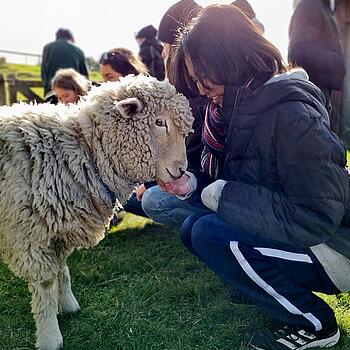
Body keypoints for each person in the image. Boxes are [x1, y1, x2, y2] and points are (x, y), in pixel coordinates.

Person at [147, 4, 350, 349]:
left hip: (333, 249)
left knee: (212, 233)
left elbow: (315, 217)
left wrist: (219, 193)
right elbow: (244, 183)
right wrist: (194, 185)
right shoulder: (236, 108)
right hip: (301, 237)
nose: (199, 87)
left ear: (228, 59)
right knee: (192, 230)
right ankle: (262, 287)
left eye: (201, 76)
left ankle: (316, 323)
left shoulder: (291, 114)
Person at [288, 0, 345, 134]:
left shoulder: (324, 8)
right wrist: (336, 62)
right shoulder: (310, 5)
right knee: (316, 143)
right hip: (314, 87)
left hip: (323, 87)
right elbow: (299, 49)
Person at [41, 28, 89, 96]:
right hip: (72, 92)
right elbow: (85, 75)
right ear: (71, 37)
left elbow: (43, 72)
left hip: (52, 90)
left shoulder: (47, 48)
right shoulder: (78, 50)